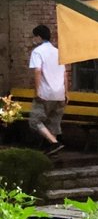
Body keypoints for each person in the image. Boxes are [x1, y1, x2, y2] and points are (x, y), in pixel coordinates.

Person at [28, 24, 66, 156]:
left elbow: (38, 71)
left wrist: (37, 91)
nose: (33, 39)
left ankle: (54, 143)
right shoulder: (58, 52)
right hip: (60, 93)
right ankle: (53, 149)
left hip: (45, 93)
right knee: (53, 122)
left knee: (35, 121)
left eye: (34, 37)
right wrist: (67, 92)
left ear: (38, 37)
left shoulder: (38, 52)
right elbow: (64, 73)